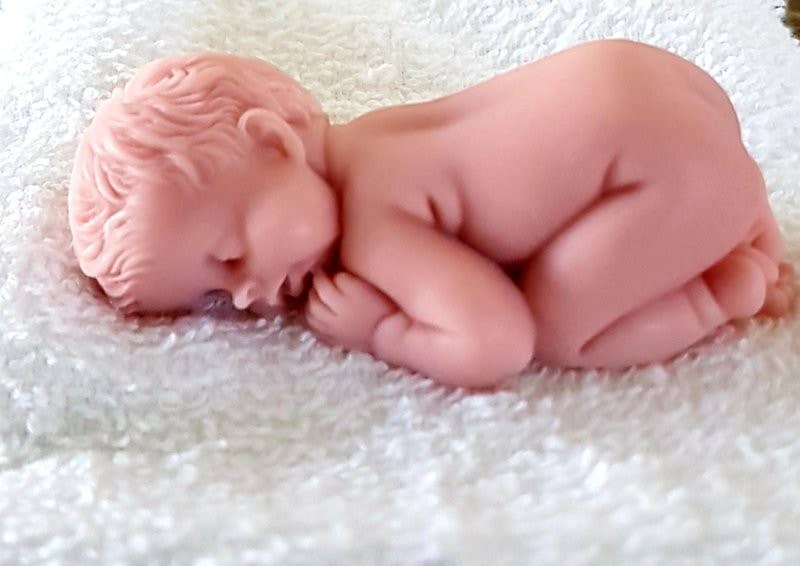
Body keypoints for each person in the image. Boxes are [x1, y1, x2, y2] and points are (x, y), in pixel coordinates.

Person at [69, 40, 794, 388]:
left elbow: (496, 341)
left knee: (557, 326)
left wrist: (380, 329)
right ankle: (737, 214)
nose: (247, 294)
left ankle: (719, 289)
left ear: (274, 143)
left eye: (230, 256)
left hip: (673, 179)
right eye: (215, 297)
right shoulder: (377, 136)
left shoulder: (377, 224)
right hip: (664, 83)